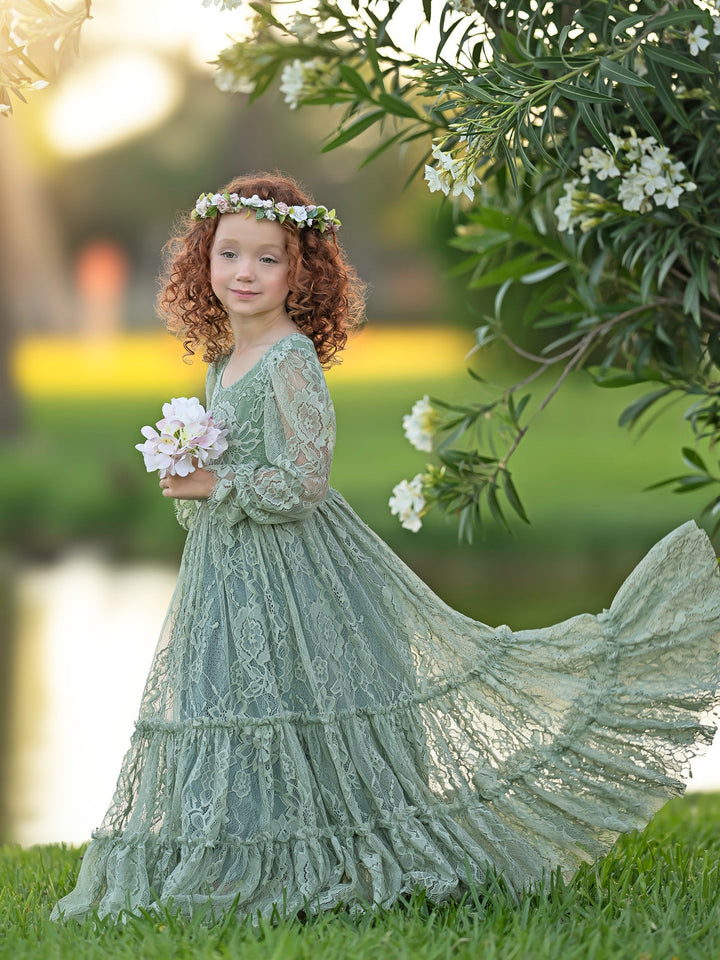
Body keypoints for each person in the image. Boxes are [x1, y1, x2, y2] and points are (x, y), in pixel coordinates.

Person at [51, 172, 720, 923]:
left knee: (306, 702)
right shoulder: (220, 363)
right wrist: (193, 478)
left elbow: (303, 481)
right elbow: (234, 469)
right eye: (229, 253)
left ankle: (340, 850)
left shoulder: (290, 359)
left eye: (267, 258)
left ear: (301, 271)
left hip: (298, 567)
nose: (244, 272)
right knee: (229, 701)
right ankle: (247, 850)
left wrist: (219, 484)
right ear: (201, 262)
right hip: (228, 570)